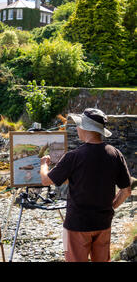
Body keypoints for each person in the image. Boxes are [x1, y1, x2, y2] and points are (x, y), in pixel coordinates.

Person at [40, 108, 132, 262]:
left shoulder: (73, 156)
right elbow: (127, 190)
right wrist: (111, 207)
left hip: (77, 224)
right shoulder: (115, 154)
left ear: (85, 128)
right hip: (103, 223)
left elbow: (46, 180)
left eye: (78, 125)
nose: (77, 128)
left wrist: (43, 165)